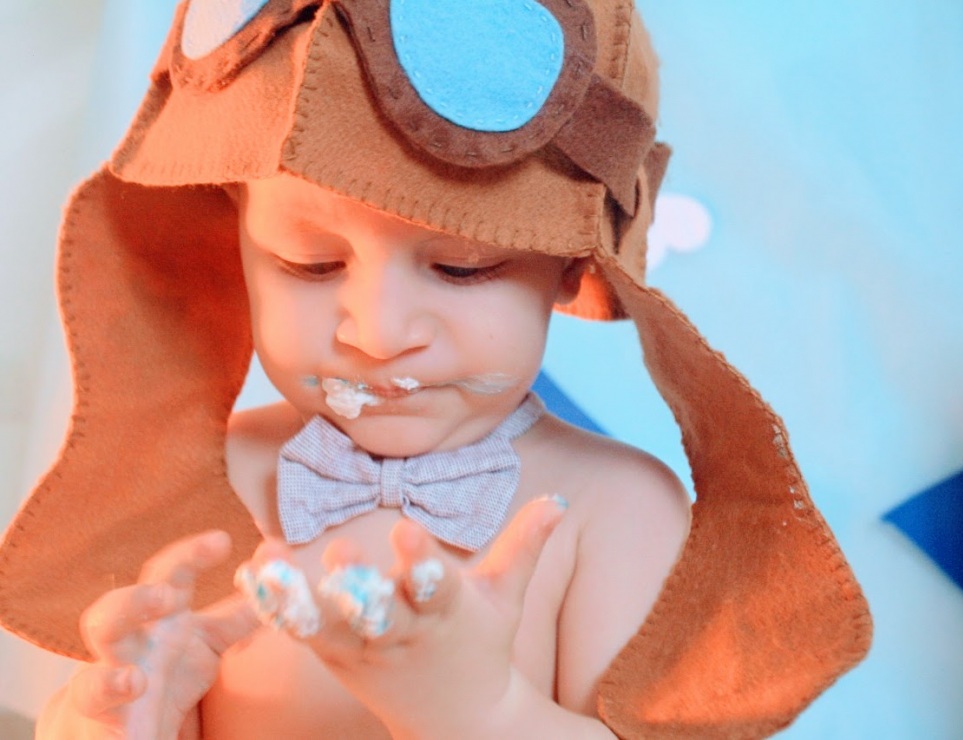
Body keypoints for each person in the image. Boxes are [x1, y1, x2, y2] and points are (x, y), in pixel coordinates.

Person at [0, 1, 872, 738]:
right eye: (310, 264)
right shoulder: (211, 479)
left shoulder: (612, 511)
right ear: (236, 239)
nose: (379, 334)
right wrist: (118, 714)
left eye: (460, 268)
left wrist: (481, 711)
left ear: (571, 267)